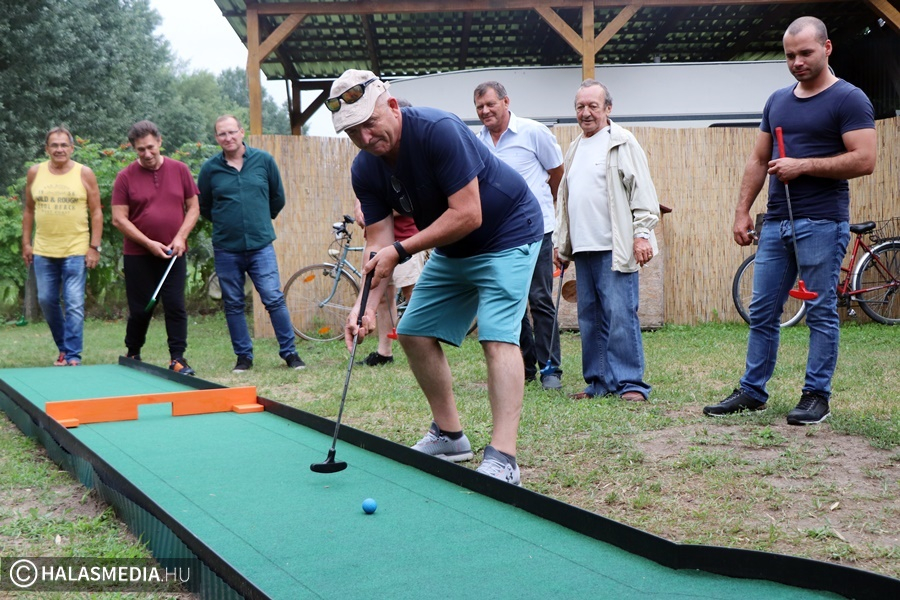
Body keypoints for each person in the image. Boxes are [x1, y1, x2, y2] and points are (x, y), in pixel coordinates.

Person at [331, 69, 542, 485]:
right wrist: (364, 307)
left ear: (392, 106)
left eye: (370, 124)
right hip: (454, 246)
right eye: (354, 132)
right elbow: (378, 244)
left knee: (498, 336)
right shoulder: (366, 170)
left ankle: (504, 458)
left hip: (508, 230)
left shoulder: (438, 130)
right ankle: (450, 436)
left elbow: (468, 213)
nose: (366, 138)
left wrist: (401, 250)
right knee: (412, 332)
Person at [703, 16, 876, 425]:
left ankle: (816, 396)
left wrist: (804, 166)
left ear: (827, 48)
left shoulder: (849, 99)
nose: (797, 62)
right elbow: (759, 159)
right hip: (776, 223)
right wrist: (742, 210)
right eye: (789, 55)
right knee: (762, 311)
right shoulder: (777, 100)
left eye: (805, 53)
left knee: (819, 314)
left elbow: (865, 160)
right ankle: (752, 391)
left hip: (822, 222)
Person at [553, 79, 660, 402]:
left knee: (620, 314)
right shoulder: (574, 148)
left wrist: (642, 234)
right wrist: (562, 244)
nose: (585, 113)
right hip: (583, 248)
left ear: (608, 109)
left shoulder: (622, 141)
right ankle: (599, 382)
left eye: (593, 106)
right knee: (590, 318)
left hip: (615, 246)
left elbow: (642, 191)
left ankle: (630, 383)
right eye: (580, 107)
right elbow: (565, 199)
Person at [474, 81, 565, 391]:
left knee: (539, 298)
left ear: (506, 102)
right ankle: (524, 366)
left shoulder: (533, 132)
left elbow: (556, 173)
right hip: (500, 236)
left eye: (490, 104)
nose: (485, 111)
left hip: (536, 229)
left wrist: (544, 205)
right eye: (479, 107)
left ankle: (551, 369)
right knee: (512, 300)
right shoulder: (477, 141)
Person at [197, 115, 305, 373]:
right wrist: (229, 222)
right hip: (226, 247)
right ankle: (243, 357)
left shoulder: (264, 161)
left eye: (232, 132)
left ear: (241, 132)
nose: (228, 138)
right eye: (222, 134)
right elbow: (205, 207)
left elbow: (277, 198)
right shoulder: (210, 169)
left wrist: (257, 220)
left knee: (273, 297)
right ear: (216, 138)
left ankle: (290, 354)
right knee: (233, 303)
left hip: (261, 245)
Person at [112, 120, 200, 375]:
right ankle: (133, 352)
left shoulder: (180, 169)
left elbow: (193, 207)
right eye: (141, 150)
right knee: (141, 310)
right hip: (138, 254)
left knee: (175, 305)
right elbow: (119, 218)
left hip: (174, 253)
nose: (147, 154)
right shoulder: (125, 177)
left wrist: (181, 236)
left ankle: (178, 359)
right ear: (134, 149)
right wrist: (149, 243)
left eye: (151, 147)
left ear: (160, 142)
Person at [21, 126, 102, 366]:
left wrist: (94, 247)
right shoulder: (35, 173)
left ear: (71, 148)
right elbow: (28, 209)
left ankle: (73, 355)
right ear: (46, 149)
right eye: (54, 145)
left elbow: (96, 212)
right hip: (43, 250)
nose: (59, 149)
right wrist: (26, 242)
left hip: (76, 250)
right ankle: (64, 348)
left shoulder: (84, 173)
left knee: (74, 302)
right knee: (46, 300)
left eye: (63, 145)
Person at [353, 200, 426, 367]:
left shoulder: (408, 173)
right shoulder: (368, 175)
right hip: (377, 241)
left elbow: (410, 202)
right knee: (383, 299)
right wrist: (359, 208)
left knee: (413, 295)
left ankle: (425, 350)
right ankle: (384, 353)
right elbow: (361, 196)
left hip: (406, 241)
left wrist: (372, 208)